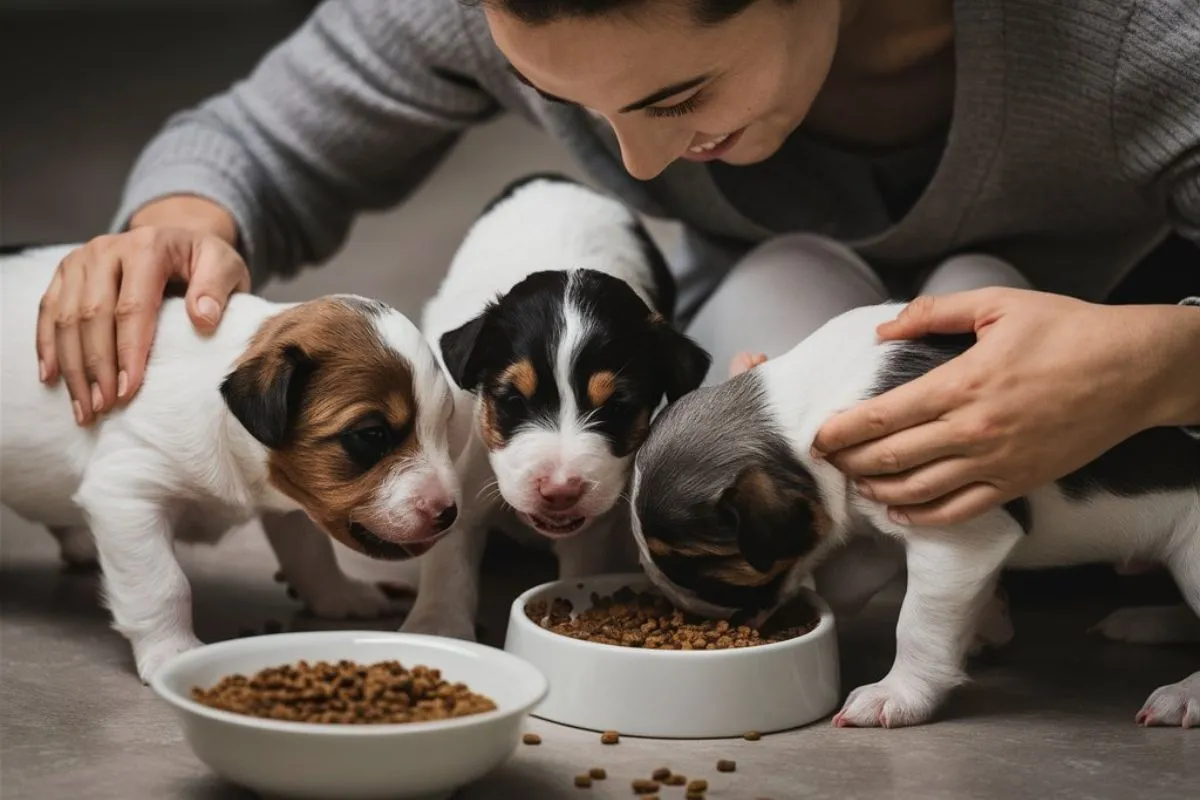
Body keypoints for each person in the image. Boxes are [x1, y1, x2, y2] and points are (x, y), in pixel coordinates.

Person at [34, 0, 1200, 528]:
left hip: (1119, 443)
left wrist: (1161, 364)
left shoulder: (1138, 33)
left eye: (681, 94)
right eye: (560, 99)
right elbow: (251, 144)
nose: (631, 159)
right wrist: (179, 223)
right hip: (783, 343)